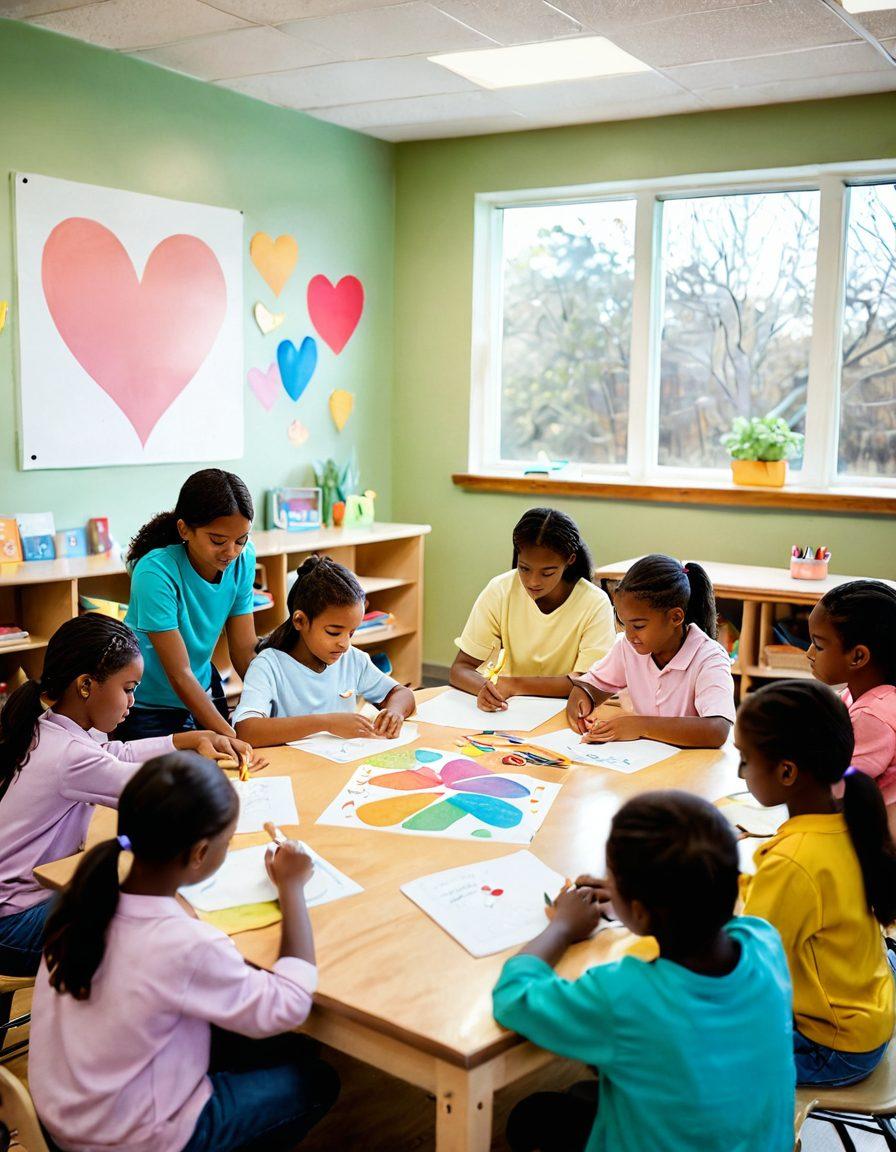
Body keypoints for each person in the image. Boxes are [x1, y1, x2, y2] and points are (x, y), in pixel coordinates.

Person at [29, 751, 339, 1152]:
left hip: (60, 1120)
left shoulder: (81, 904)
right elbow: (289, 1005)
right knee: (316, 1079)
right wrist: (291, 888)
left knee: (272, 1044)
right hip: (130, 1140)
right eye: (227, 842)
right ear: (199, 853)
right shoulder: (186, 943)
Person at [493, 791, 795, 1152]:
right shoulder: (763, 941)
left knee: (531, 1116)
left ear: (639, 910)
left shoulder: (625, 995)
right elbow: (710, 908)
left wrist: (561, 928)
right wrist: (641, 901)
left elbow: (513, 997)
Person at [0, 615, 251, 977]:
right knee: (153, 913)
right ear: (86, 685)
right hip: (14, 925)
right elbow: (157, 794)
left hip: (21, 904)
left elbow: (116, 754)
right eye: (128, 688)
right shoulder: (70, 754)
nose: (132, 701)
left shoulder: (53, 725)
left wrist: (192, 739)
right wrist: (215, 784)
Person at [737, 680, 896, 1086]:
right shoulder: (849, 821)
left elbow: (746, 964)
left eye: (744, 760)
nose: (740, 772)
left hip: (834, 1046)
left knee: (699, 1049)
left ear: (787, 771)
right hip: (870, 1007)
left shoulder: (793, 861)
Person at [116, 468, 258, 740]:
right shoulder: (155, 572)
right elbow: (179, 673)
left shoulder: (243, 559)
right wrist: (230, 736)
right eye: (218, 540)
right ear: (184, 529)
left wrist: (265, 707)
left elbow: (243, 651)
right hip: (148, 706)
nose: (231, 552)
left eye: (241, 540)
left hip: (202, 688)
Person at [234, 556, 415, 748]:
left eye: (351, 633)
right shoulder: (268, 665)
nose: (345, 644)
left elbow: (402, 693)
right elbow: (246, 730)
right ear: (300, 621)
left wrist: (395, 712)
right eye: (334, 632)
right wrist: (326, 723)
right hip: (291, 764)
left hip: (341, 761)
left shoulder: (352, 659)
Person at [451, 508, 614, 713]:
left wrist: (515, 685)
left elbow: (589, 682)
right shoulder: (500, 590)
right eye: (524, 568)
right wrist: (487, 689)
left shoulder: (595, 603)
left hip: (566, 711)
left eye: (547, 573)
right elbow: (461, 668)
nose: (533, 582)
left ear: (570, 560)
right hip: (510, 710)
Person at [566, 553, 734, 748]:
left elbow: (717, 730)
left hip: (692, 763)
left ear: (675, 617)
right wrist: (581, 696)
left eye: (638, 626)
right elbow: (593, 685)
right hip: (645, 758)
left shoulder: (709, 658)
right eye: (624, 624)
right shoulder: (628, 648)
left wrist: (641, 726)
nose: (629, 635)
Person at [808, 579, 896, 834]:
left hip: (878, 838)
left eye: (819, 645)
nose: (809, 653)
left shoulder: (874, 716)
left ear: (858, 656)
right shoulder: (853, 695)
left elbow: (836, 788)